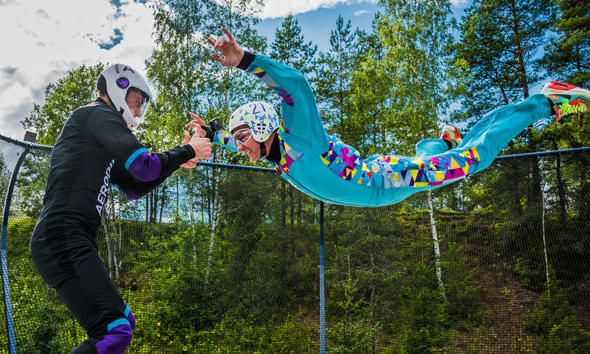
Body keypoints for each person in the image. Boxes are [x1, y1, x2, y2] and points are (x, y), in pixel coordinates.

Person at [187, 27, 590, 207]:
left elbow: (296, 85)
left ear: (262, 128)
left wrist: (245, 61)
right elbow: (233, 144)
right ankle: (442, 143)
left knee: (476, 159)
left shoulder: (299, 137)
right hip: (386, 180)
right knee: (436, 163)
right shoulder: (276, 154)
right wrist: (211, 134)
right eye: (238, 139)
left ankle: (546, 102)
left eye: (243, 137)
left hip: (387, 179)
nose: (240, 146)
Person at [30, 64, 212, 354]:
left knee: (124, 322)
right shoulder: (96, 114)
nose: (139, 113)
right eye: (138, 102)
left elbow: (136, 185)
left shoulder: (96, 137)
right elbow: (145, 165)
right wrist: (188, 151)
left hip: (67, 238)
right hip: (62, 236)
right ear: (119, 88)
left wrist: (180, 158)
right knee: (114, 332)